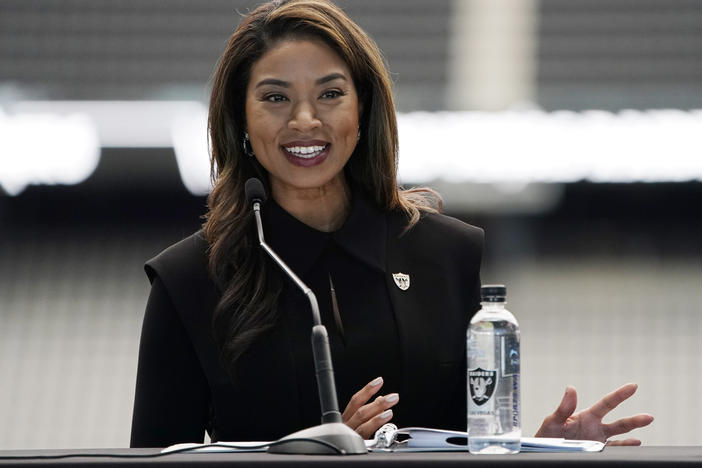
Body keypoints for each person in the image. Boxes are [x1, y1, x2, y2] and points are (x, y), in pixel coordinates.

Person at [130, 0, 653, 448]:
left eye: (331, 94)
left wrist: (540, 447)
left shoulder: (448, 253)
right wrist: (318, 449)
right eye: (275, 97)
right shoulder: (189, 280)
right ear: (240, 118)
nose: (305, 119)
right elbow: (152, 462)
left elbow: (469, 442)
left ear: (365, 110)